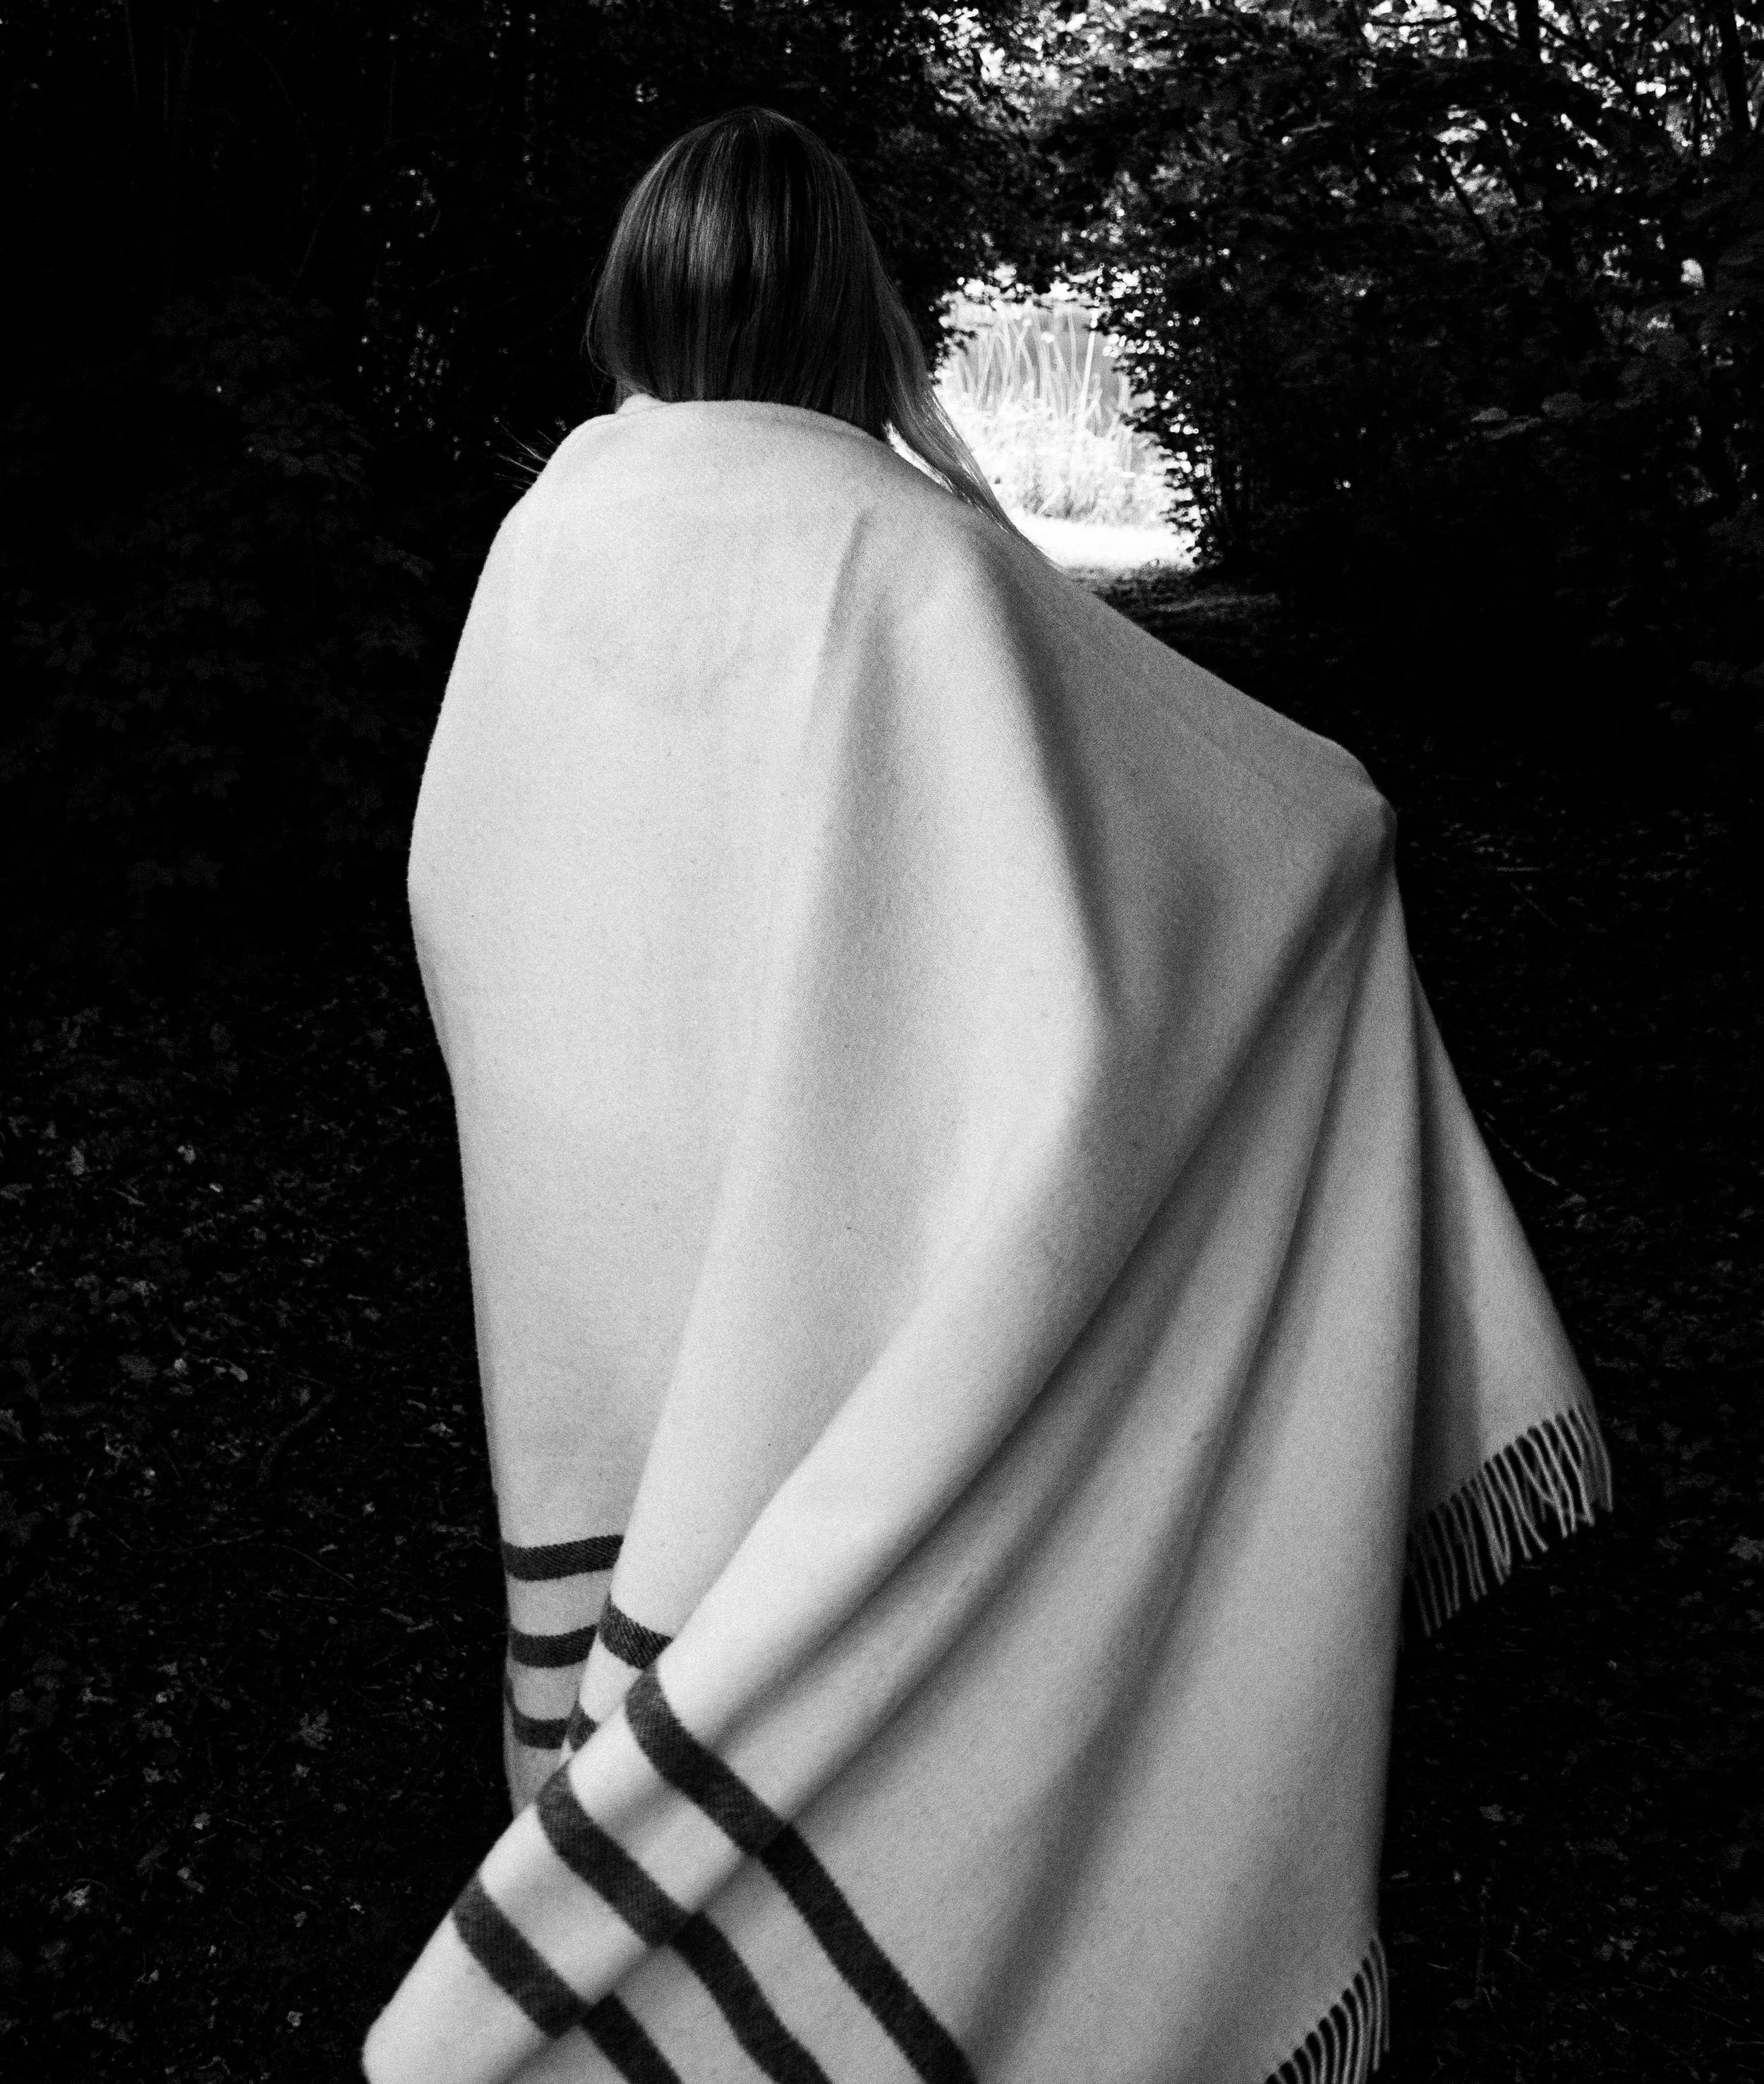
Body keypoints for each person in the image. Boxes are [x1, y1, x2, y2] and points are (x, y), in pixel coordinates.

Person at [364, 109, 1609, 2084]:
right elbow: (1223, 822)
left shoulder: (553, 528)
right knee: (862, 1603)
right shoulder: (902, 557)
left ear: (639, 286)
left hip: (600, 1214)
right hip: (815, 1236)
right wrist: (1323, 861)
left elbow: (470, 874)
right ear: (850, 303)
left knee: (660, 1645)